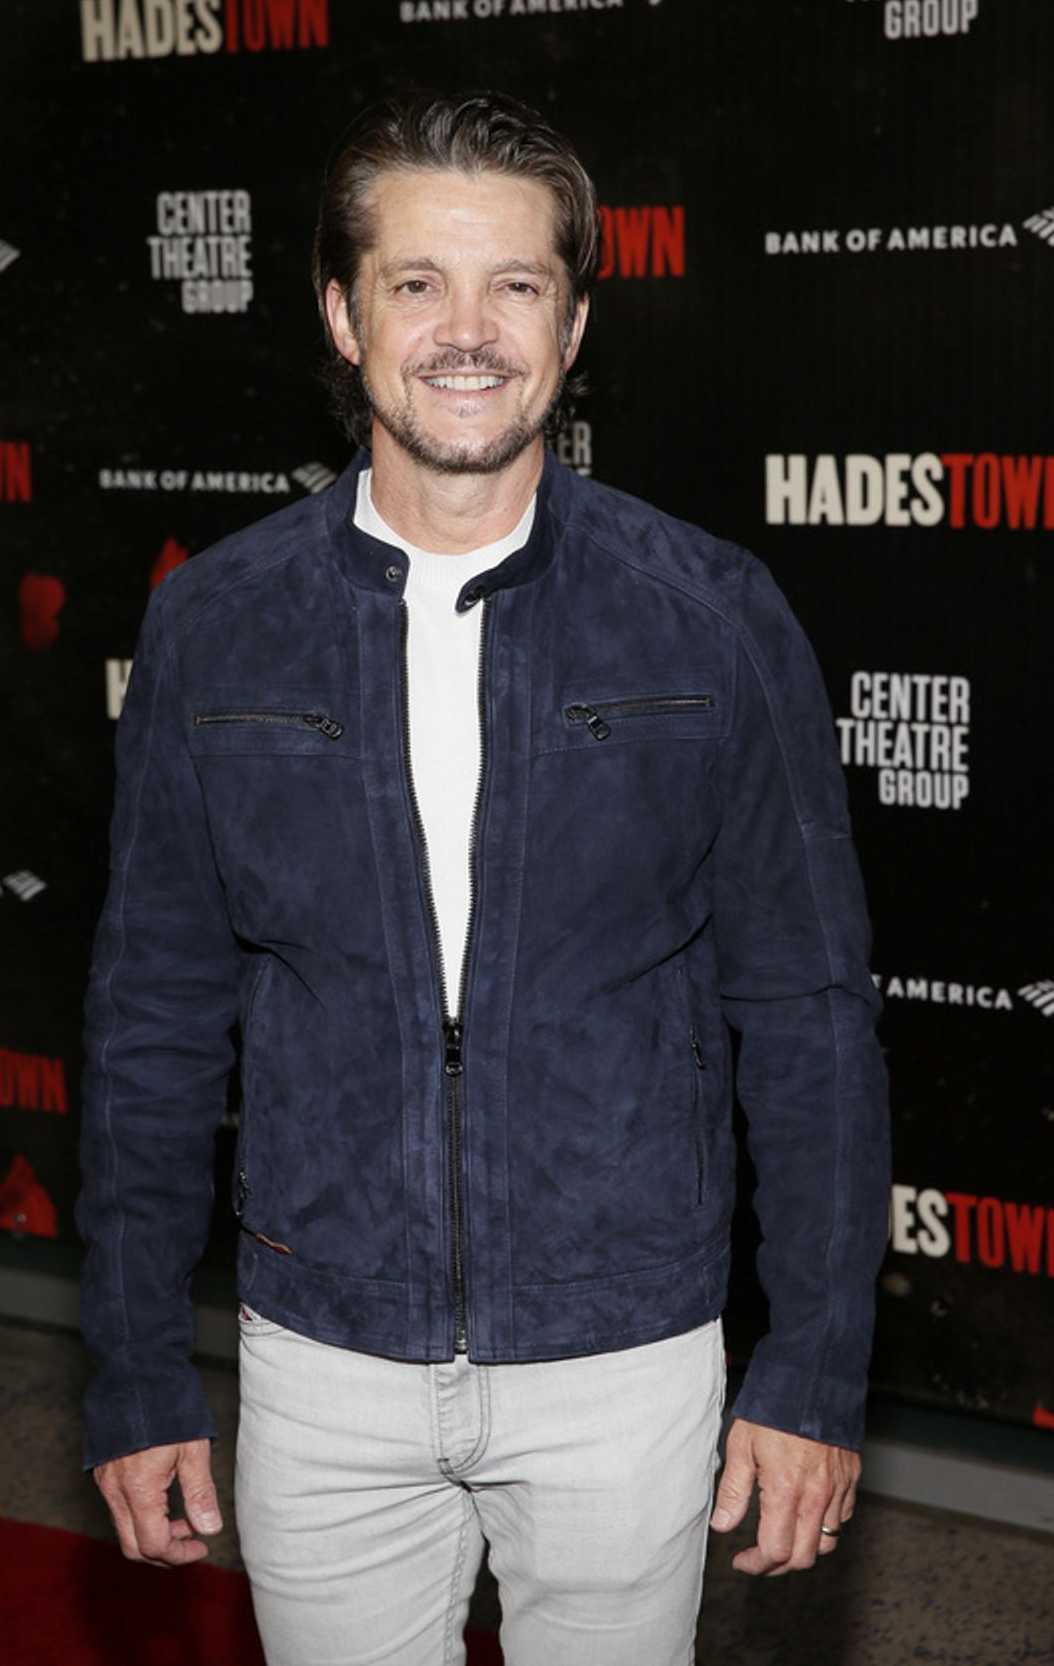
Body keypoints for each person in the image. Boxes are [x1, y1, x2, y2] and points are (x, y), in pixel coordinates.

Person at [79, 90, 890, 1664]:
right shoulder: (215, 626)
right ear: (340, 311)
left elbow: (807, 1015)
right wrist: (130, 1367)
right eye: (416, 283)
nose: (469, 331)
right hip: (321, 1363)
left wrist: (816, 1370)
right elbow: (151, 1020)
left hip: (627, 1362)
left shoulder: (710, 617)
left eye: (516, 285)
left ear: (575, 324)